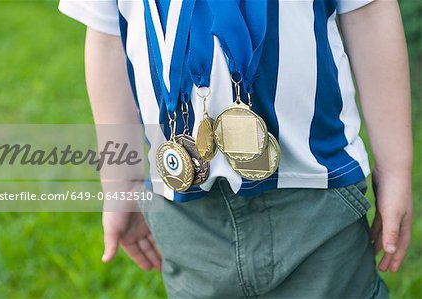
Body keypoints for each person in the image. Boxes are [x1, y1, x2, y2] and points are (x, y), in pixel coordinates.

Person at [59, 0, 413, 298]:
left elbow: (369, 10)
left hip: (317, 190)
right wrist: (119, 185)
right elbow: (107, 36)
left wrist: (396, 169)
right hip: (185, 211)